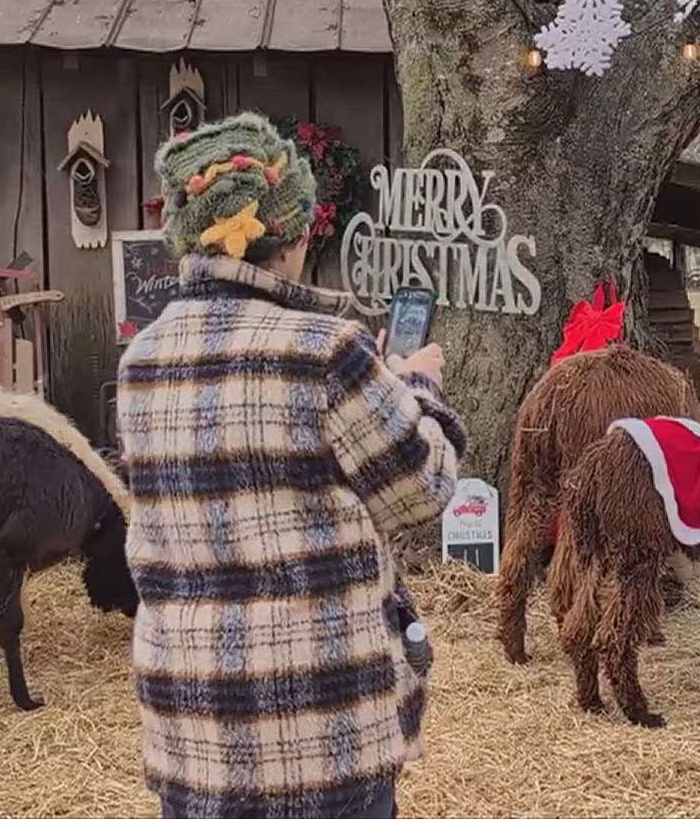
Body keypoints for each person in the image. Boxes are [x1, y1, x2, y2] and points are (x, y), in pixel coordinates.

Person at [118, 112, 462, 819]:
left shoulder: (141, 361)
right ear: (294, 235)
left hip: (194, 734)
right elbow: (422, 491)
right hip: (324, 733)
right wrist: (416, 386)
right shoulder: (326, 351)